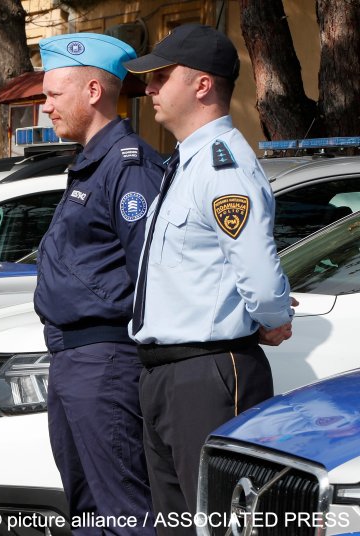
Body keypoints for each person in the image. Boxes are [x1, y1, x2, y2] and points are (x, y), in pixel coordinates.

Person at [123, 23, 296, 531]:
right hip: (166, 375)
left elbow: (260, 275)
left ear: (202, 85)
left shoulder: (223, 167)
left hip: (206, 374)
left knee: (219, 523)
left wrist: (273, 318)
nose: (150, 88)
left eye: (161, 77)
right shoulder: (188, 164)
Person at [31, 35, 163, 535]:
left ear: (91, 91)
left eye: (53, 95)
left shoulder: (129, 166)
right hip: (73, 357)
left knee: (123, 509)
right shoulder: (93, 163)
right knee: (87, 507)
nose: (45, 108)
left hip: (105, 359)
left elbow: (149, 270)